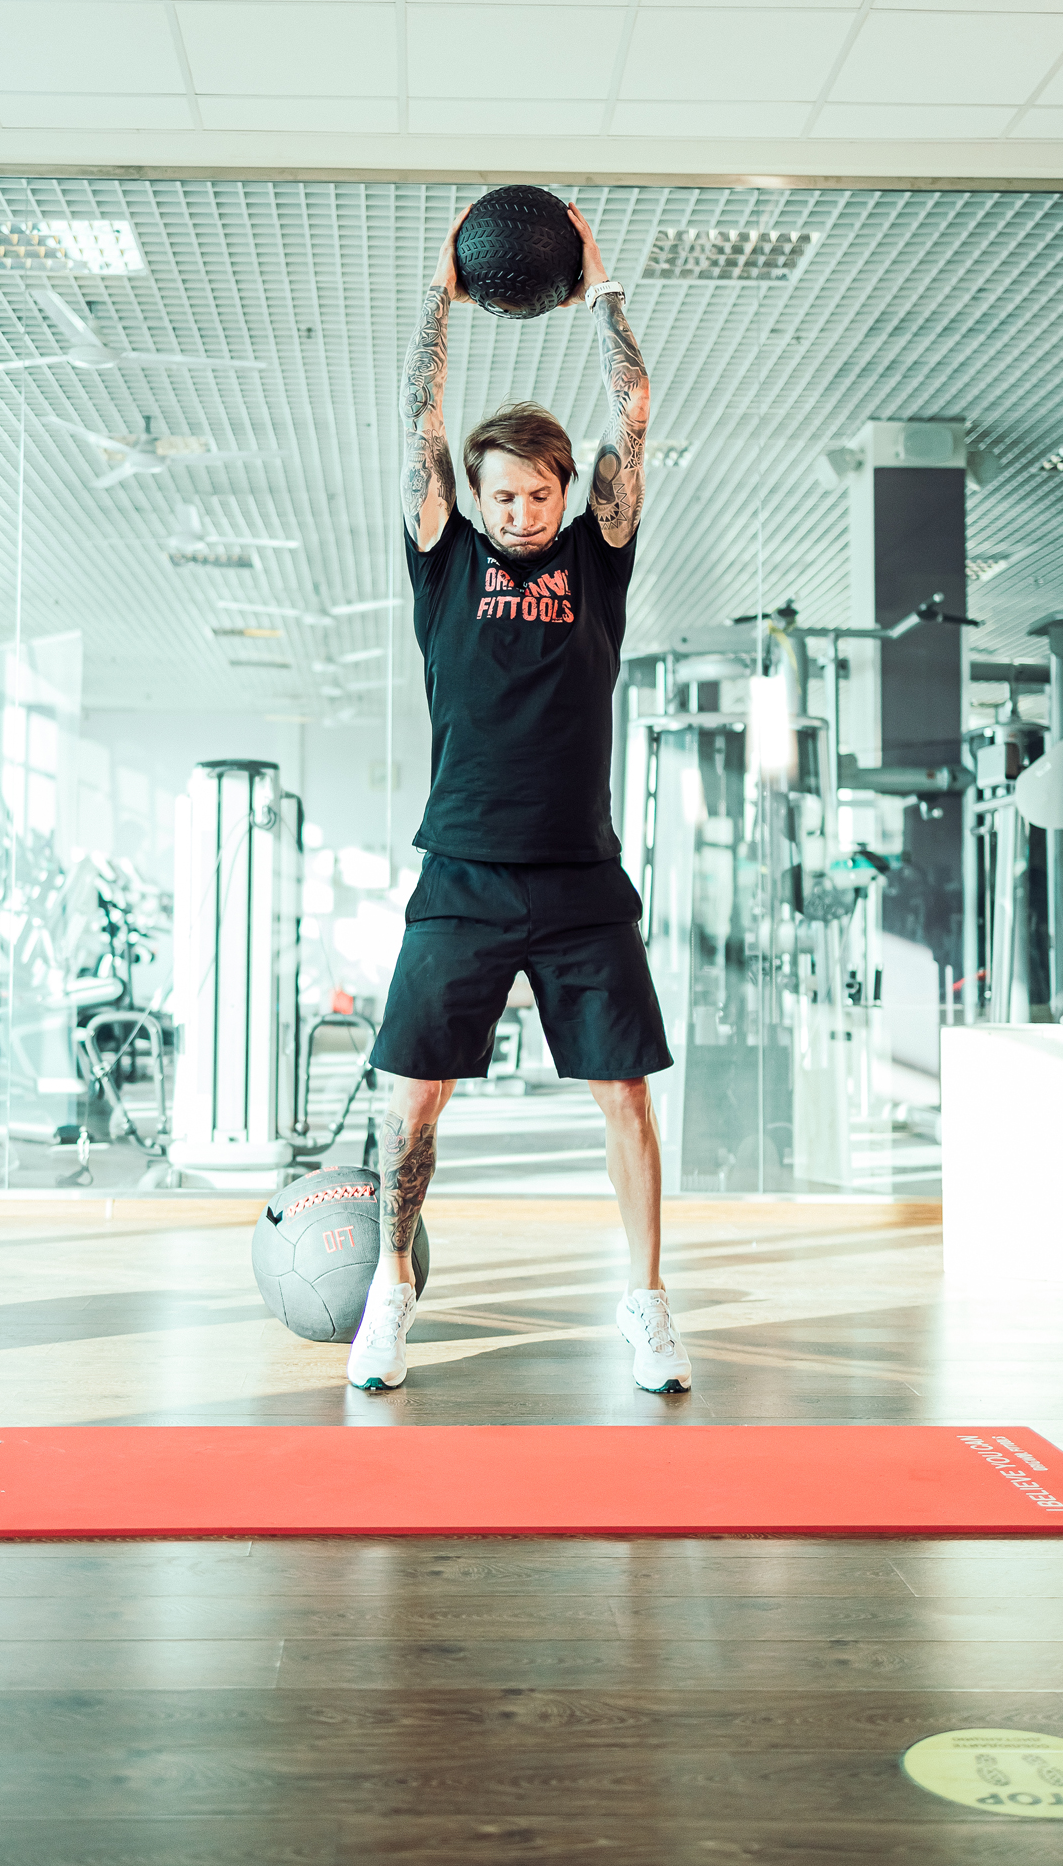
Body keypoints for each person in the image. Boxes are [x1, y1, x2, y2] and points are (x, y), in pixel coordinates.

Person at [346, 199, 691, 1398]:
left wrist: (601, 291)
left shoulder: (597, 557)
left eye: (536, 496)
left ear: (559, 493)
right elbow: (420, 423)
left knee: (624, 1099)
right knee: (407, 1105)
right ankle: (390, 1292)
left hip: (580, 876)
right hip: (462, 873)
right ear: (477, 497)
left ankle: (645, 1305)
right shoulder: (443, 558)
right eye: (500, 497)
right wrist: (437, 300)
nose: (518, 513)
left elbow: (631, 413)